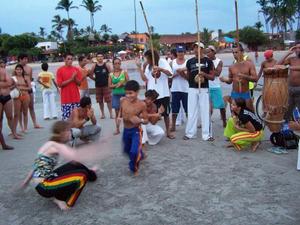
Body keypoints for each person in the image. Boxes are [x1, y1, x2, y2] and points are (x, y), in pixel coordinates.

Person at [20, 120, 100, 210]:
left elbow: (36, 166)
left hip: (46, 180)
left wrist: (26, 182)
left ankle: (91, 173)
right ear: (63, 133)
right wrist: (96, 149)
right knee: (81, 176)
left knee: (75, 165)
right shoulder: (56, 146)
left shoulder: (49, 144)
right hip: (45, 187)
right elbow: (77, 156)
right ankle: (61, 199)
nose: (71, 132)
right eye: (69, 130)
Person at [137, 49, 174, 139]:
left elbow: (170, 74)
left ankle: (168, 132)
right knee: (149, 113)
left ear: (153, 57)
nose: (147, 60)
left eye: (148, 58)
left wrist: (160, 69)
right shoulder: (147, 65)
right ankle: (147, 132)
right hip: (151, 94)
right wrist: (139, 68)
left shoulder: (162, 62)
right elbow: (145, 79)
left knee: (165, 114)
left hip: (163, 93)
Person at [183, 42, 215, 141]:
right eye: (195, 48)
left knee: (205, 111)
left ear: (202, 49)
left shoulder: (208, 61)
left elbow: (212, 77)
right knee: (192, 111)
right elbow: (188, 76)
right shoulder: (189, 62)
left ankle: (207, 135)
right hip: (192, 88)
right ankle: (190, 133)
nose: (196, 50)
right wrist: (195, 79)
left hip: (204, 89)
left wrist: (204, 75)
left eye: (198, 48)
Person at [117, 80, 148, 175]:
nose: (128, 96)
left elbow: (146, 120)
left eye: (131, 93)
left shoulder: (142, 104)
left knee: (133, 152)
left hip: (136, 131)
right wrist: (119, 117)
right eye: (126, 93)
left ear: (137, 92)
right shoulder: (122, 100)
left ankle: (133, 167)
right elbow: (121, 111)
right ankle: (141, 154)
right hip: (126, 130)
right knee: (126, 150)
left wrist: (140, 120)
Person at [220, 44, 258, 111]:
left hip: (245, 93)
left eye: (236, 52)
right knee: (235, 115)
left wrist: (244, 76)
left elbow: (255, 78)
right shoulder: (232, 66)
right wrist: (224, 80)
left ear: (242, 52)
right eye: (233, 52)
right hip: (235, 94)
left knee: (249, 113)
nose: (234, 54)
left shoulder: (249, 64)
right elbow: (230, 81)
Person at [18, 54, 42, 128]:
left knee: (31, 107)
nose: (26, 60)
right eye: (24, 59)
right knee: (20, 109)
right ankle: (21, 125)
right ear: (20, 59)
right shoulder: (17, 68)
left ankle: (35, 123)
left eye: (26, 59)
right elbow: (14, 79)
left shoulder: (29, 68)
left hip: (29, 89)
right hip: (21, 90)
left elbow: (30, 79)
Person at [277, 43, 300, 120]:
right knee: (287, 111)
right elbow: (277, 64)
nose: (297, 50)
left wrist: (290, 67)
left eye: (299, 48)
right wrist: (288, 53)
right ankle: (286, 128)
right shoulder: (291, 59)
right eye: (296, 48)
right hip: (290, 88)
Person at [56, 53, 82, 120]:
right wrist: (71, 79)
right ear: (64, 59)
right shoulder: (60, 70)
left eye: (71, 59)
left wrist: (75, 77)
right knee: (66, 120)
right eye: (68, 59)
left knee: (77, 118)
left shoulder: (76, 69)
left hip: (76, 98)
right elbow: (59, 84)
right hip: (66, 100)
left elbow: (79, 83)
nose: (70, 60)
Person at [206, 45, 226, 128]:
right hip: (206, 86)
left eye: (209, 52)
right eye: (206, 52)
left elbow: (217, 73)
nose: (207, 54)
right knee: (208, 107)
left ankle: (224, 121)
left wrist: (211, 65)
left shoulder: (219, 61)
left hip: (215, 86)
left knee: (221, 106)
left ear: (214, 52)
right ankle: (206, 122)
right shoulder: (205, 61)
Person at [108, 58, 129, 135]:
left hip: (124, 94)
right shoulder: (110, 74)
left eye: (118, 63)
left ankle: (127, 128)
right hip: (116, 95)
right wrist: (116, 85)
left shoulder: (124, 72)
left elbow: (129, 83)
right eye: (115, 63)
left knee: (126, 112)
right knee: (117, 112)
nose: (117, 65)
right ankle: (117, 129)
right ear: (113, 64)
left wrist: (122, 84)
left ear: (120, 64)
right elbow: (109, 86)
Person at [170, 45, 188, 132]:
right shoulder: (172, 62)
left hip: (186, 89)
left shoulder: (188, 62)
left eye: (182, 52)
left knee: (187, 108)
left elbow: (189, 78)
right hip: (175, 88)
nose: (180, 53)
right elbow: (169, 76)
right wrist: (175, 74)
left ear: (184, 52)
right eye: (178, 52)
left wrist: (182, 74)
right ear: (176, 53)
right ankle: (173, 125)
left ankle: (190, 125)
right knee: (174, 108)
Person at [90, 53, 113, 119]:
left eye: (101, 56)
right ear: (96, 58)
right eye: (98, 57)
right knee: (100, 101)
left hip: (106, 85)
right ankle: (102, 114)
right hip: (98, 86)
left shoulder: (107, 65)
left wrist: (110, 83)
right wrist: (95, 79)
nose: (100, 58)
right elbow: (90, 75)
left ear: (103, 57)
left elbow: (111, 74)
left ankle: (111, 113)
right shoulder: (94, 66)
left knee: (109, 100)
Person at [12, 64, 31, 135]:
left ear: (22, 70)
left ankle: (25, 127)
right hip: (17, 96)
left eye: (20, 69)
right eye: (17, 69)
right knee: (17, 112)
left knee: (25, 112)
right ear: (15, 70)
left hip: (25, 95)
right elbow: (10, 87)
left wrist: (21, 88)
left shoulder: (26, 77)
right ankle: (21, 126)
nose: (19, 71)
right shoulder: (13, 78)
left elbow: (29, 88)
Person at [0, 63, 14, 149]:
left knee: (9, 116)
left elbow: (10, 83)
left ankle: (13, 133)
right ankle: (4, 144)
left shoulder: (4, 72)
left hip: (6, 96)